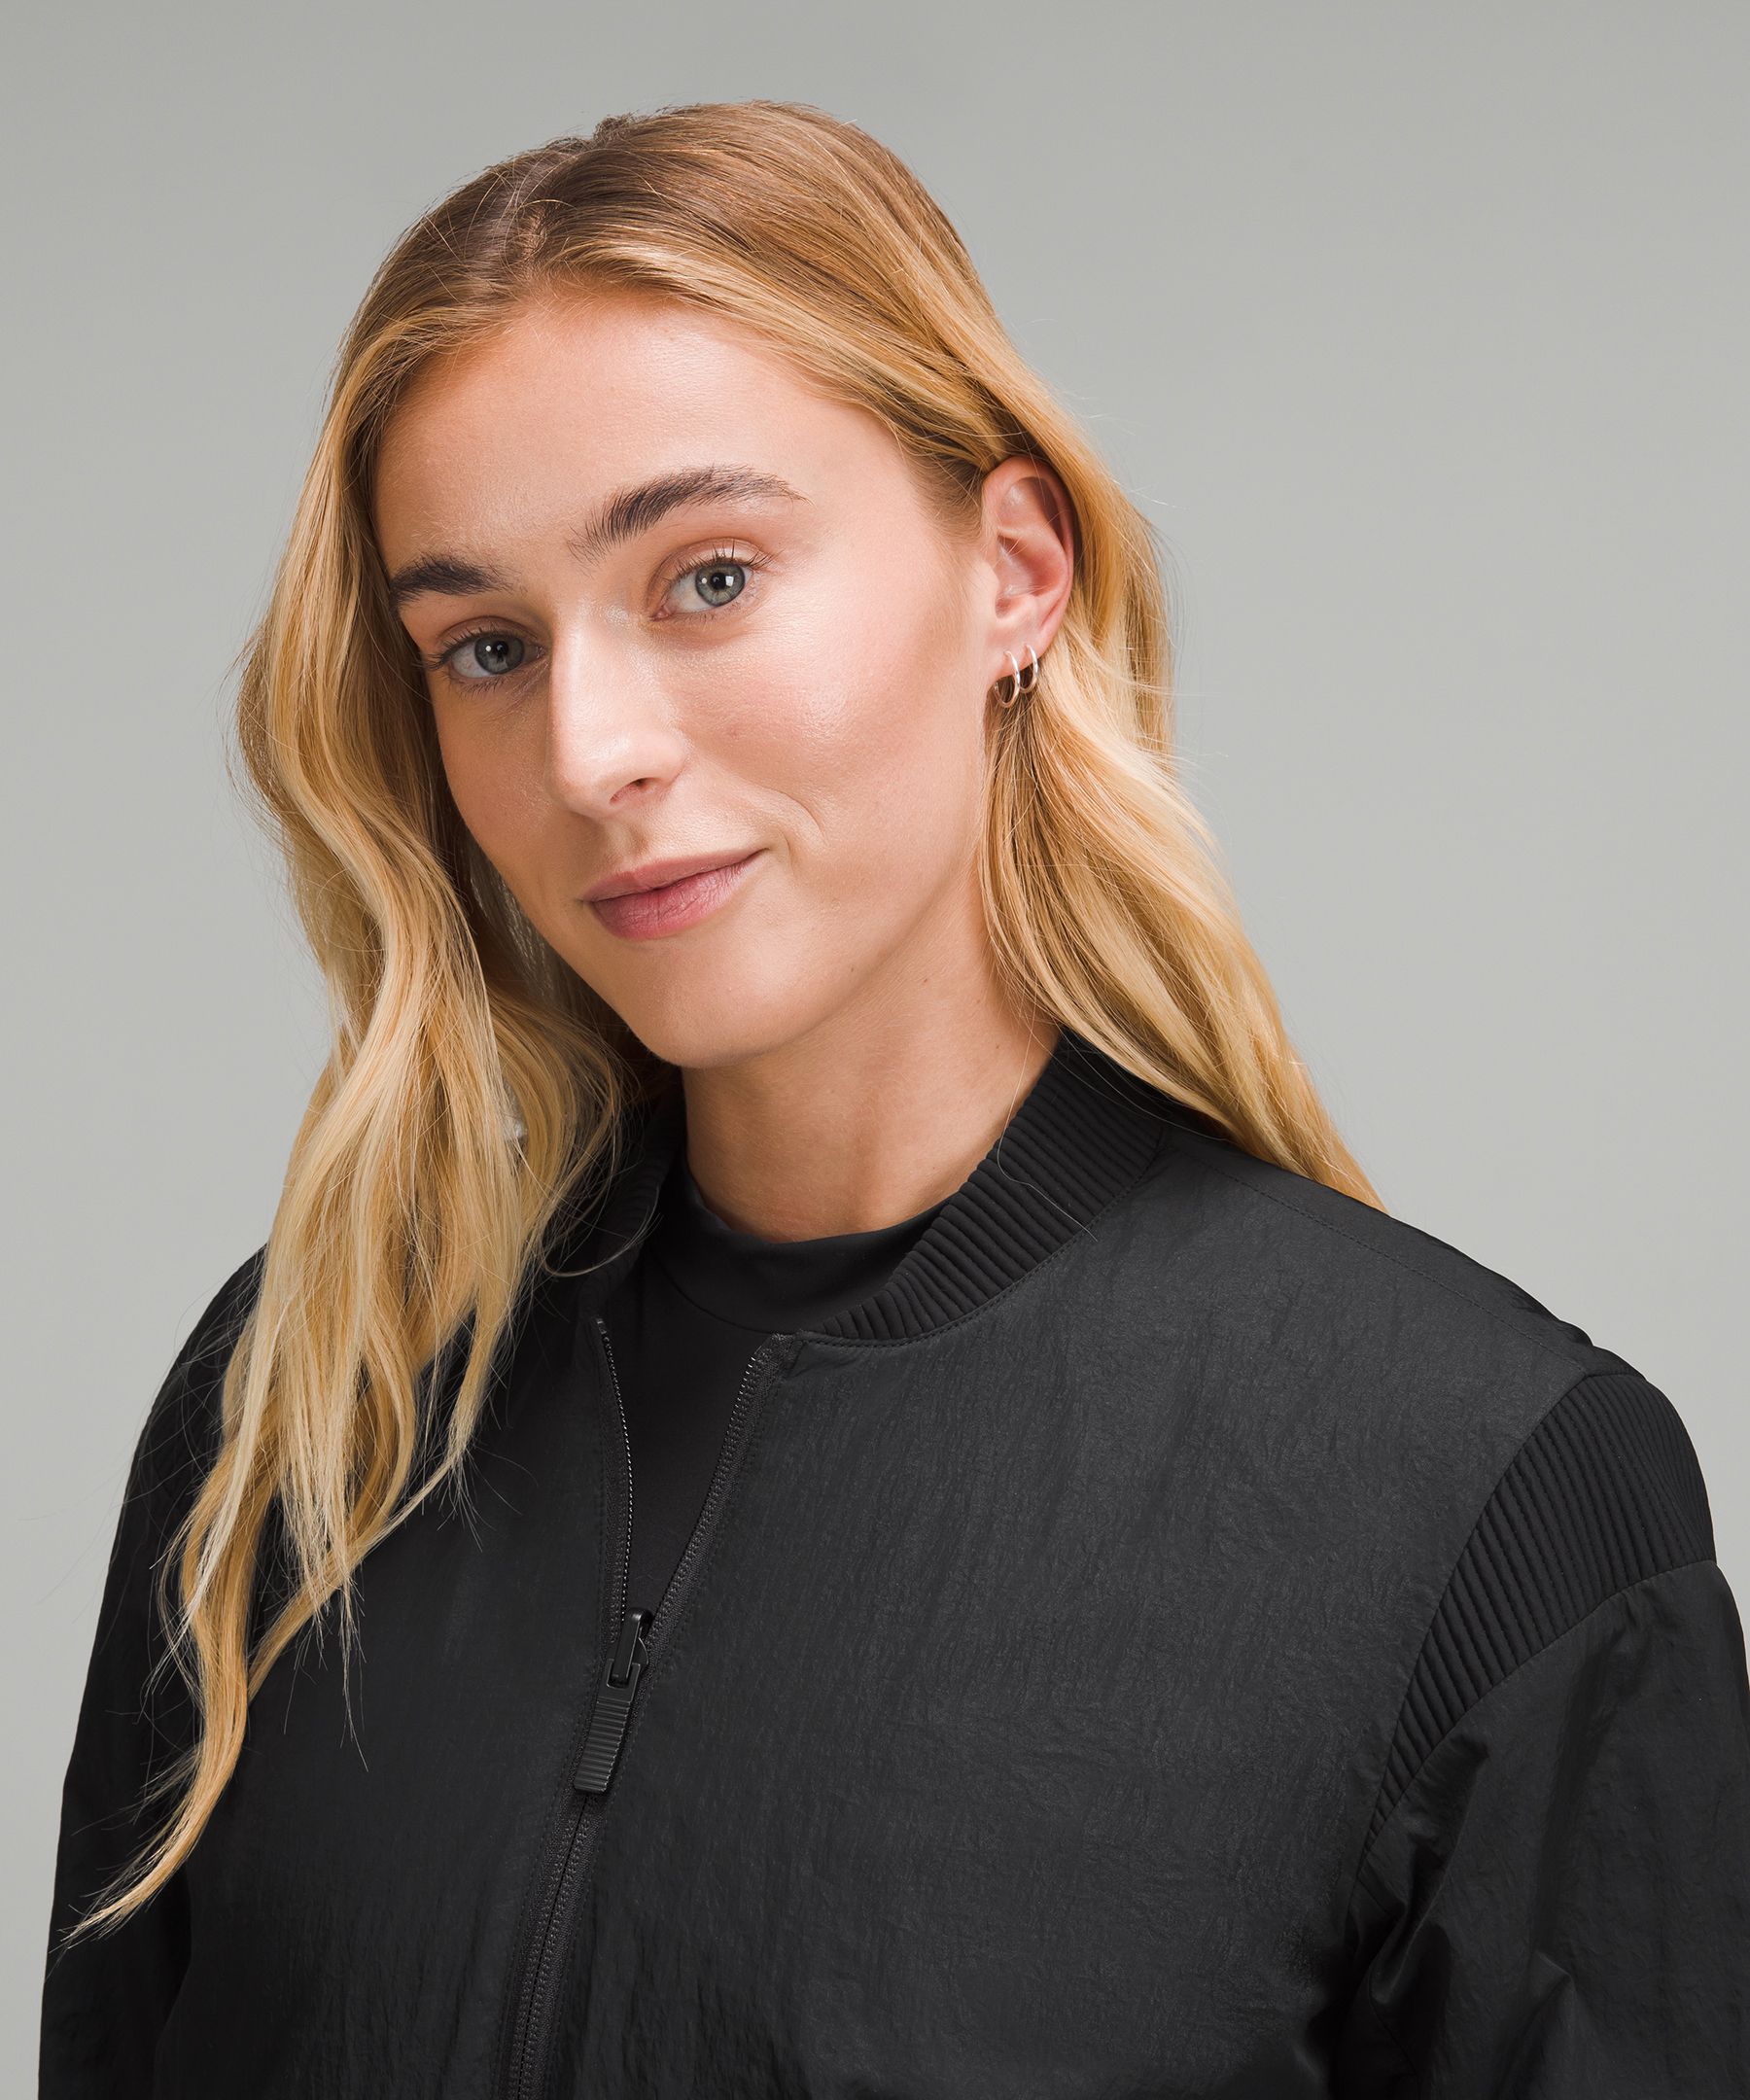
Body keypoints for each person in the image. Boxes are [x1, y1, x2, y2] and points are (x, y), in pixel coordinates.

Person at [41, 99, 1750, 2098]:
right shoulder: (309, 1404)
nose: (589, 751)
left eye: (709, 577)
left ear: (1013, 571)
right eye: (485, 646)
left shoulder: (1486, 1489)